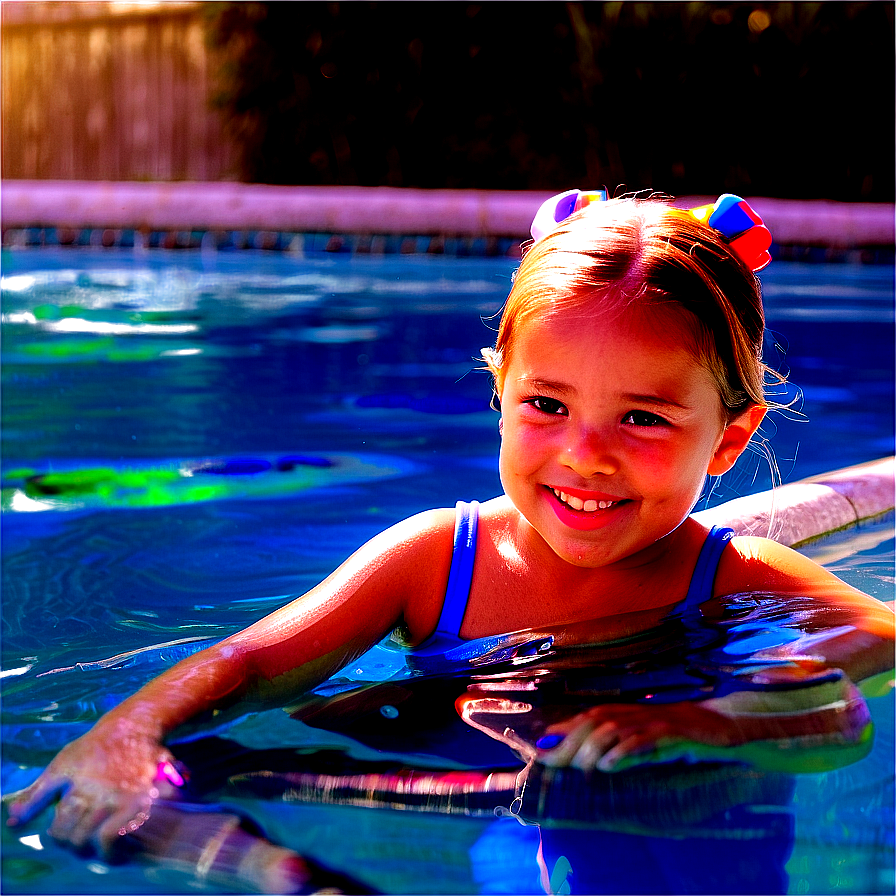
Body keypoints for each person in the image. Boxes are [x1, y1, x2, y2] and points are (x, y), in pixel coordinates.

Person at [8, 191, 894, 880]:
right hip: (501, 807)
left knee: (824, 715)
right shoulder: (437, 559)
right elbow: (249, 663)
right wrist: (124, 732)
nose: (586, 458)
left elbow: (884, 640)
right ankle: (279, 875)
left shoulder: (734, 572)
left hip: (700, 833)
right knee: (181, 765)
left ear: (728, 439)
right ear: (499, 391)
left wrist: (719, 720)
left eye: (644, 419)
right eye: (547, 405)